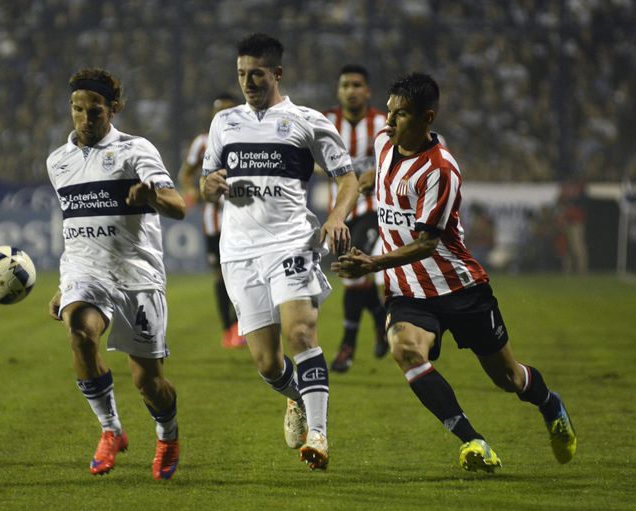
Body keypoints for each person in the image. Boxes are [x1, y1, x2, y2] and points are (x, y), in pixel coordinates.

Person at [332, 72, 577, 472]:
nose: (390, 123)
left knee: (508, 379)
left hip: (459, 288)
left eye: (402, 116)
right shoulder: (384, 143)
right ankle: (473, 441)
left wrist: (373, 262)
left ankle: (550, 403)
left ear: (428, 118)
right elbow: (376, 175)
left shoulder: (440, 170)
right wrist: (359, 190)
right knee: (405, 349)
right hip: (408, 291)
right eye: (390, 114)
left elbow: (428, 244)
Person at [200, 33, 358, 471]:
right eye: (241, 74)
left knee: (301, 333)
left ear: (277, 74)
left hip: (291, 243)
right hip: (239, 252)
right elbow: (208, 180)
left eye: (256, 74)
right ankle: (297, 399)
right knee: (268, 363)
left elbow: (348, 178)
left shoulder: (305, 121)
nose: (248, 82)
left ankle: (320, 436)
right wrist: (208, 185)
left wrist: (337, 218)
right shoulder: (224, 123)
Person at [47, 68, 186, 480]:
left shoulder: (135, 150)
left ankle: (167, 435)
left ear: (114, 109)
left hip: (137, 277)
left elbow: (178, 207)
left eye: (94, 112)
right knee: (79, 331)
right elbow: (73, 225)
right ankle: (111, 430)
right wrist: (63, 287)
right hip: (86, 272)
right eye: (76, 110)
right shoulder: (58, 161)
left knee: (149, 383)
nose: (84, 120)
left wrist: (152, 196)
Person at [323, 64, 389, 373]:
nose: (351, 90)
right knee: (355, 277)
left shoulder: (383, 123)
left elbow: (400, 154)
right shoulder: (324, 122)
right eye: (345, 85)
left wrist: (377, 172)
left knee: (354, 274)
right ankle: (380, 319)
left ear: (367, 91)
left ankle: (346, 348)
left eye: (357, 85)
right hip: (338, 215)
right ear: (338, 91)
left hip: (373, 210)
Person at [178, 92, 245, 349]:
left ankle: (242, 325)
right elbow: (186, 173)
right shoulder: (203, 142)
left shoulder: (248, 138)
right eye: (220, 110)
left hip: (241, 219)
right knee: (219, 275)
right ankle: (227, 328)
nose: (224, 115)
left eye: (229, 110)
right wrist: (192, 190)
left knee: (240, 275)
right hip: (213, 221)